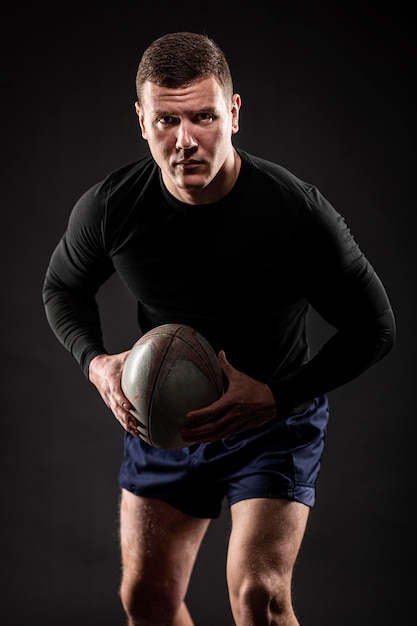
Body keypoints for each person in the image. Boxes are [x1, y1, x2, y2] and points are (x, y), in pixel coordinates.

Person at [42, 31, 395, 626]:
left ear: (233, 111)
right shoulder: (112, 207)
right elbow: (62, 289)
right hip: (163, 421)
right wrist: (96, 363)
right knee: (146, 602)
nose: (185, 141)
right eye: (166, 121)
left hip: (271, 420)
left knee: (259, 597)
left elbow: (375, 327)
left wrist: (276, 397)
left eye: (203, 116)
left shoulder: (296, 212)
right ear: (141, 120)